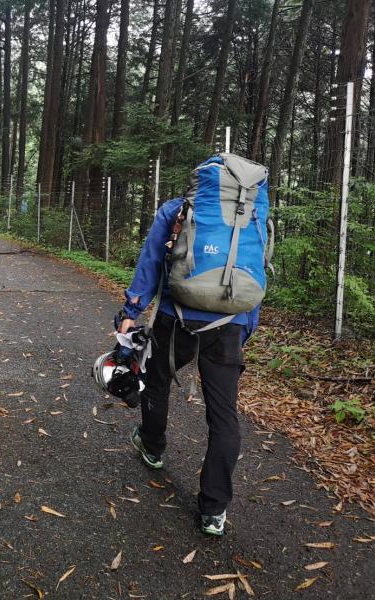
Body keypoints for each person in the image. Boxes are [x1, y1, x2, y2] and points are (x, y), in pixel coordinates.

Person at [117, 194, 262, 536]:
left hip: (176, 317)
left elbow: (152, 262)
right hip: (230, 323)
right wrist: (246, 327)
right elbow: (255, 272)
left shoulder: (177, 208)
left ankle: (152, 446)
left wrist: (131, 312)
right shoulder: (251, 216)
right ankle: (214, 510)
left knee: (157, 378)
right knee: (224, 414)